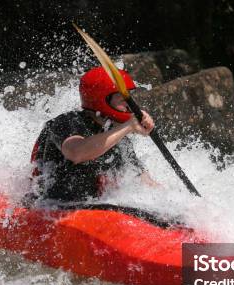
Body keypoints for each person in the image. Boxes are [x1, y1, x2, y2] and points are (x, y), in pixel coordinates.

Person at [28, 66, 157, 202]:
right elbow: (76, 153)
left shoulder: (120, 139)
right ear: (102, 100)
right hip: (47, 207)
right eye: (123, 100)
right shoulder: (66, 122)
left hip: (91, 211)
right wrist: (128, 126)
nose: (131, 106)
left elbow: (146, 183)